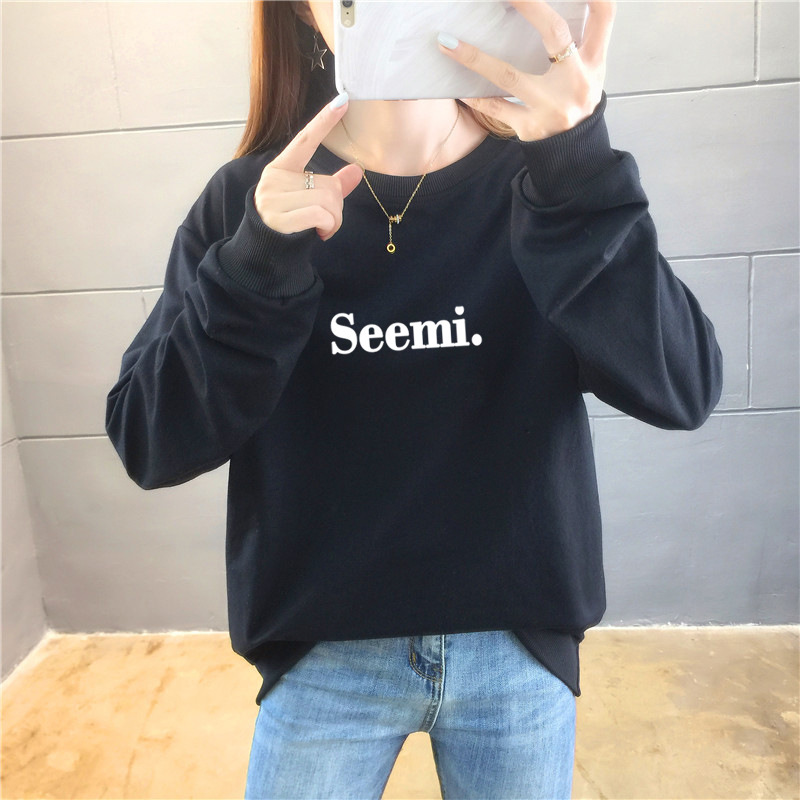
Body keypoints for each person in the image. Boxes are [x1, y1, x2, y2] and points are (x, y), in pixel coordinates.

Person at [106, 1, 723, 797]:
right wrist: (255, 269)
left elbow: (682, 387)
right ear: (304, 14)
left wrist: (578, 174)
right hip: (323, 657)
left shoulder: (550, 181)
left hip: (516, 648)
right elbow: (151, 441)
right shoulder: (253, 201)